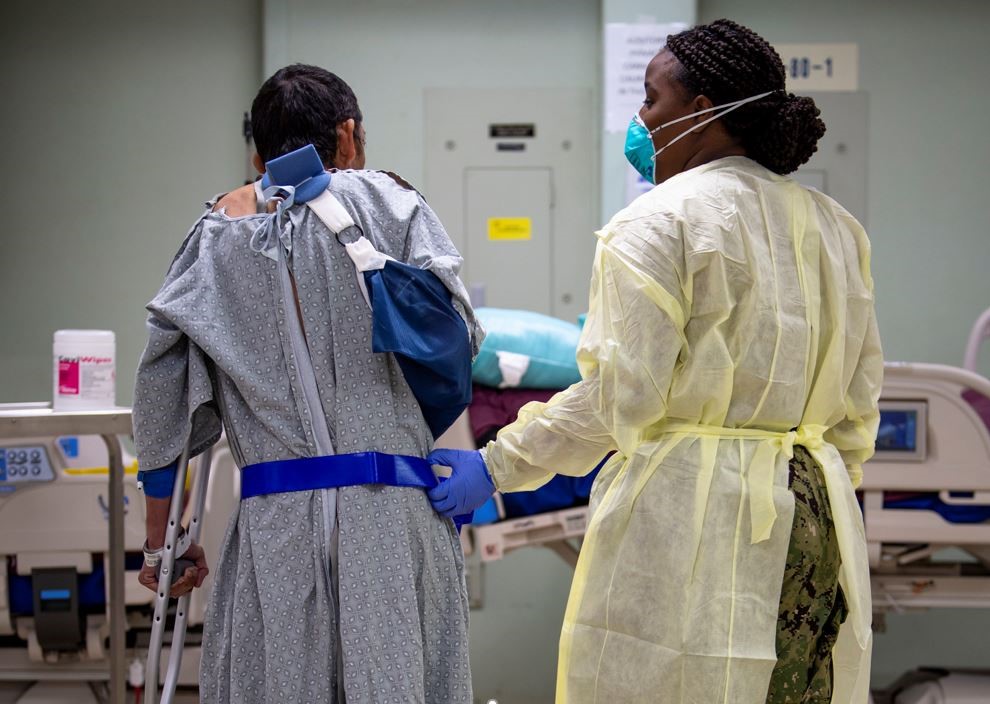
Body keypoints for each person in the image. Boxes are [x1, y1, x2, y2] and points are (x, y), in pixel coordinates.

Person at [428, 19, 882, 703]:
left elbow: (620, 400)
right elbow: (859, 398)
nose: (640, 120)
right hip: (818, 516)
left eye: (649, 99)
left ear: (700, 114)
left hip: (699, 520)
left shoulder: (658, 222)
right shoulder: (835, 227)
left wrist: (496, 465)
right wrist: (823, 495)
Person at [133, 64, 481, 704]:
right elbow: (457, 336)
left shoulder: (214, 239)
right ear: (348, 136)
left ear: (259, 154)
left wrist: (161, 546)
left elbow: (165, 403)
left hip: (277, 531)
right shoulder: (392, 204)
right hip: (393, 522)